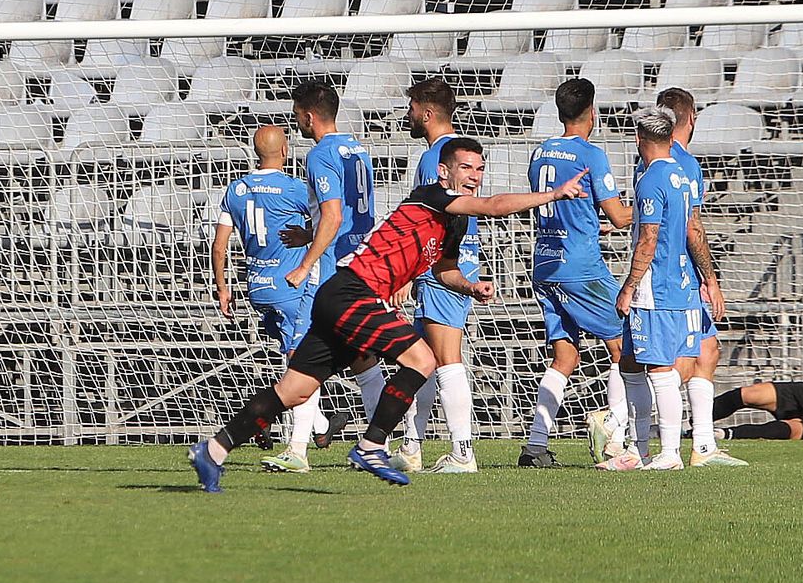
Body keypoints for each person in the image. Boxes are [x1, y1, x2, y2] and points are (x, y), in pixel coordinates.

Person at [187, 136, 588, 492]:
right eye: (466, 167)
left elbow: (443, 270)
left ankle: (214, 450)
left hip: (343, 297)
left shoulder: (456, 221)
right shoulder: (430, 194)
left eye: (480, 169)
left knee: (295, 392)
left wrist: (470, 286)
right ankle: (372, 445)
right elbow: (494, 206)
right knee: (423, 359)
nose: (475, 175)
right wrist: (553, 195)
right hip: (351, 293)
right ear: (443, 170)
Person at [522, 78, 632, 469]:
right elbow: (619, 217)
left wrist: (591, 222)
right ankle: (614, 436)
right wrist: (654, 210)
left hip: (545, 263)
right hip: (580, 267)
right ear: (593, 112)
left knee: (564, 354)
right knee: (625, 344)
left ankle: (535, 446)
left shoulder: (538, 152)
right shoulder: (591, 155)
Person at [211, 124, 334, 473]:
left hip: (257, 288)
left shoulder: (235, 190)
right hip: (293, 289)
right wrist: (308, 234)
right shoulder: (296, 189)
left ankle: (323, 428)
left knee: (297, 362)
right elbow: (330, 223)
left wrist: (223, 287)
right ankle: (296, 449)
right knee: (303, 368)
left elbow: (219, 246)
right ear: (284, 152)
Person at [277, 81, 383, 441]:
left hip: (330, 271)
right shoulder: (359, 151)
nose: (298, 125)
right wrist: (311, 235)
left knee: (299, 354)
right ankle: (377, 442)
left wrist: (306, 262)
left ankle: (297, 449)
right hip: (361, 263)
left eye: (297, 118)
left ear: (308, 116)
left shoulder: (320, 154)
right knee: (361, 357)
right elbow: (354, 218)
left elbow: (334, 217)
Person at [391, 78, 482, 474]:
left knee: (446, 358)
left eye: (411, 108)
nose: (408, 115)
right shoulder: (457, 152)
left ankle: (463, 452)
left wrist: (409, 269)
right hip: (451, 259)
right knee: (422, 358)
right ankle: (412, 444)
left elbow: (425, 220)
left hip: (440, 264)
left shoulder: (438, 158)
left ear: (426, 113)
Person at [601, 105, 698, 472]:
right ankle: (638, 451)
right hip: (679, 283)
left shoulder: (651, 179)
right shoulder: (681, 174)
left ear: (639, 138)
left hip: (655, 289)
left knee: (659, 370)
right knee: (629, 360)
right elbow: (693, 229)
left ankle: (669, 452)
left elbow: (648, 238)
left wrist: (628, 286)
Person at [654, 88, 745, 468]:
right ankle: (625, 428)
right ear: (691, 119)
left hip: (662, 272)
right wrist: (711, 279)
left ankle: (702, 445)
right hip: (680, 276)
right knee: (682, 360)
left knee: (706, 351)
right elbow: (693, 227)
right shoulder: (685, 164)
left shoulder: (651, 159)